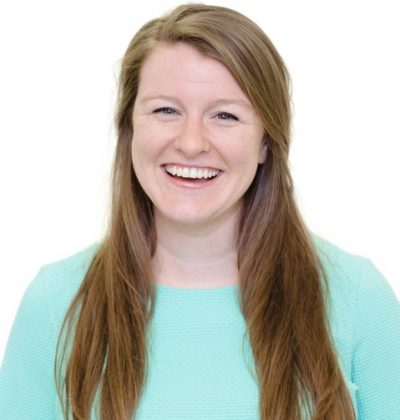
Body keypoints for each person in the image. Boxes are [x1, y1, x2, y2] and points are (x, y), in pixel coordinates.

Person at [0, 3, 399, 419]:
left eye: (225, 115)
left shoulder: (357, 298)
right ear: (130, 128)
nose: (191, 143)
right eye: (166, 111)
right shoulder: (56, 303)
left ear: (266, 142)